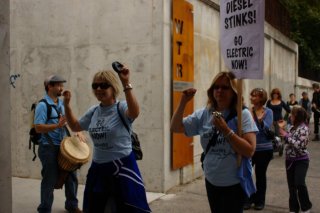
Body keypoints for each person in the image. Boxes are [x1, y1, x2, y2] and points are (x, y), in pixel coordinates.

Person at [63, 66, 151, 212]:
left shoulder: (121, 107)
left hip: (122, 167)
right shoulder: (94, 111)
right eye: (95, 86)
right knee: (95, 208)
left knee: (129, 208)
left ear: (113, 88)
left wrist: (126, 83)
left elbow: (135, 112)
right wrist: (67, 105)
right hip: (98, 168)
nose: (98, 89)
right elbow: (76, 126)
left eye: (103, 85)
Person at [170, 72, 258, 213]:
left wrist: (226, 130)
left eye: (225, 87)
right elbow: (175, 127)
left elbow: (249, 150)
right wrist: (183, 102)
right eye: (216, 87)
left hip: (234, 184)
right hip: (211, 180)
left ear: (234, 91)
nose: (219, 91)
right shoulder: (205, 113)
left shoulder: (242, 115)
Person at [34, 75, 82, 213]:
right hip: (48, 148)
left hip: (63, 147)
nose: (62, 88)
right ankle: (44, 209)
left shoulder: (61, 104)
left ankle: (72, 205)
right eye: (59, 85)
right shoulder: (42, 105)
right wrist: (56, 126)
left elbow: (68, 121)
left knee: (72, 176)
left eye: (62, 85)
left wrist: (77, 131)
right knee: (50, 180)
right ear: (50, 86)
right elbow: (38, 127)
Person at [244, 88, 274, 211]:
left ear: (261, 98)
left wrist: (261, 122)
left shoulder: (268, 112)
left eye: (255, 96)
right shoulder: (246, 111)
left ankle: (260, 201)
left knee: (260, 175)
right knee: (246, 174)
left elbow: (267, 128)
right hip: (249, 148)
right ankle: (248, 199)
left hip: (264, 149)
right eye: (251, 95)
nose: (251, 97)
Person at [279, 106, 312, 213]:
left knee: (299, 183)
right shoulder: (292, 127)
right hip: (289, 160)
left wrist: (286, 136)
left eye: (292, 115)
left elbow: (300, 145)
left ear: (297, 116)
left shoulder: (304, 128)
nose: (290, 116)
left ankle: (306, 207)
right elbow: (287, 141)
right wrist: (282, 134)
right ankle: (293, 208)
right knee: (291, 186)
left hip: (301, 160)